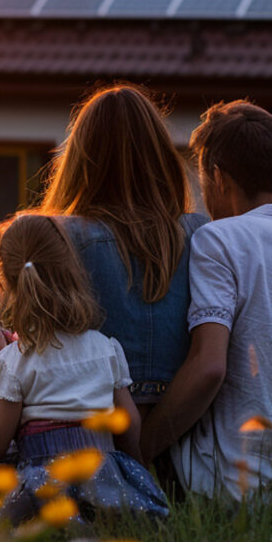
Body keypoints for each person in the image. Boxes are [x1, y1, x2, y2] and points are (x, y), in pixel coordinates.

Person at [140, 100, 272, 501]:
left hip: (226, 482)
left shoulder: (219, 238)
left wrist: (139, 452)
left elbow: (208, 368)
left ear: (218, 178)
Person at [0, 212, 169, 522]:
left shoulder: (15, 362)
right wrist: (133, 466)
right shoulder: (105, 348)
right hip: (104, 481)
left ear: (11, 285)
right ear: (72, 269)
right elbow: (129, 422)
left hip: (46, 492)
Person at [38, 84, 208, 409]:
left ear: (81, 159)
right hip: (182, 414)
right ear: (159, 155)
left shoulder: (63, 235)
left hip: (95, 415)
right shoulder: (200, 232)